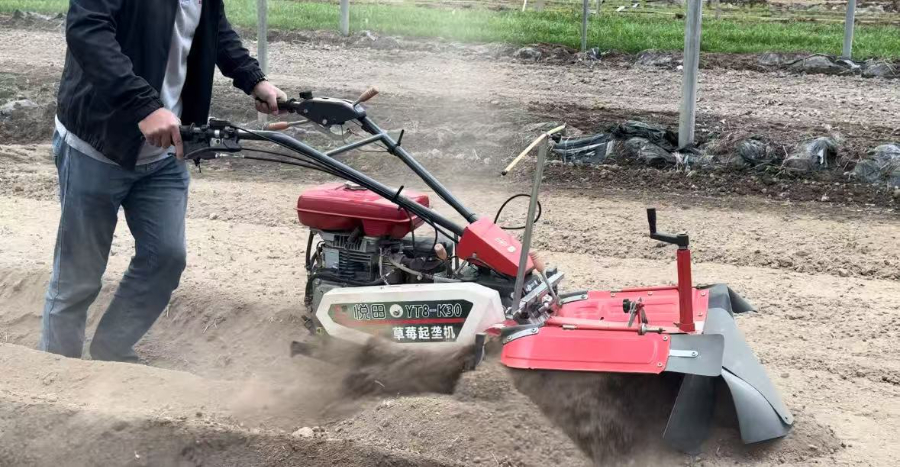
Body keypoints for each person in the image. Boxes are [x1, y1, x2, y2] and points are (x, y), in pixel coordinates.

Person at [40, 0, 286, 362]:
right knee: (79, 277)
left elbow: (212, 27)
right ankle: (57, 378)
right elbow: (88, 32)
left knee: (165, 258)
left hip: (164, 153)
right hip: (96, 145)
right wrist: (144, 106)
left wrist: (253, 79)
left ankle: (111, 350)